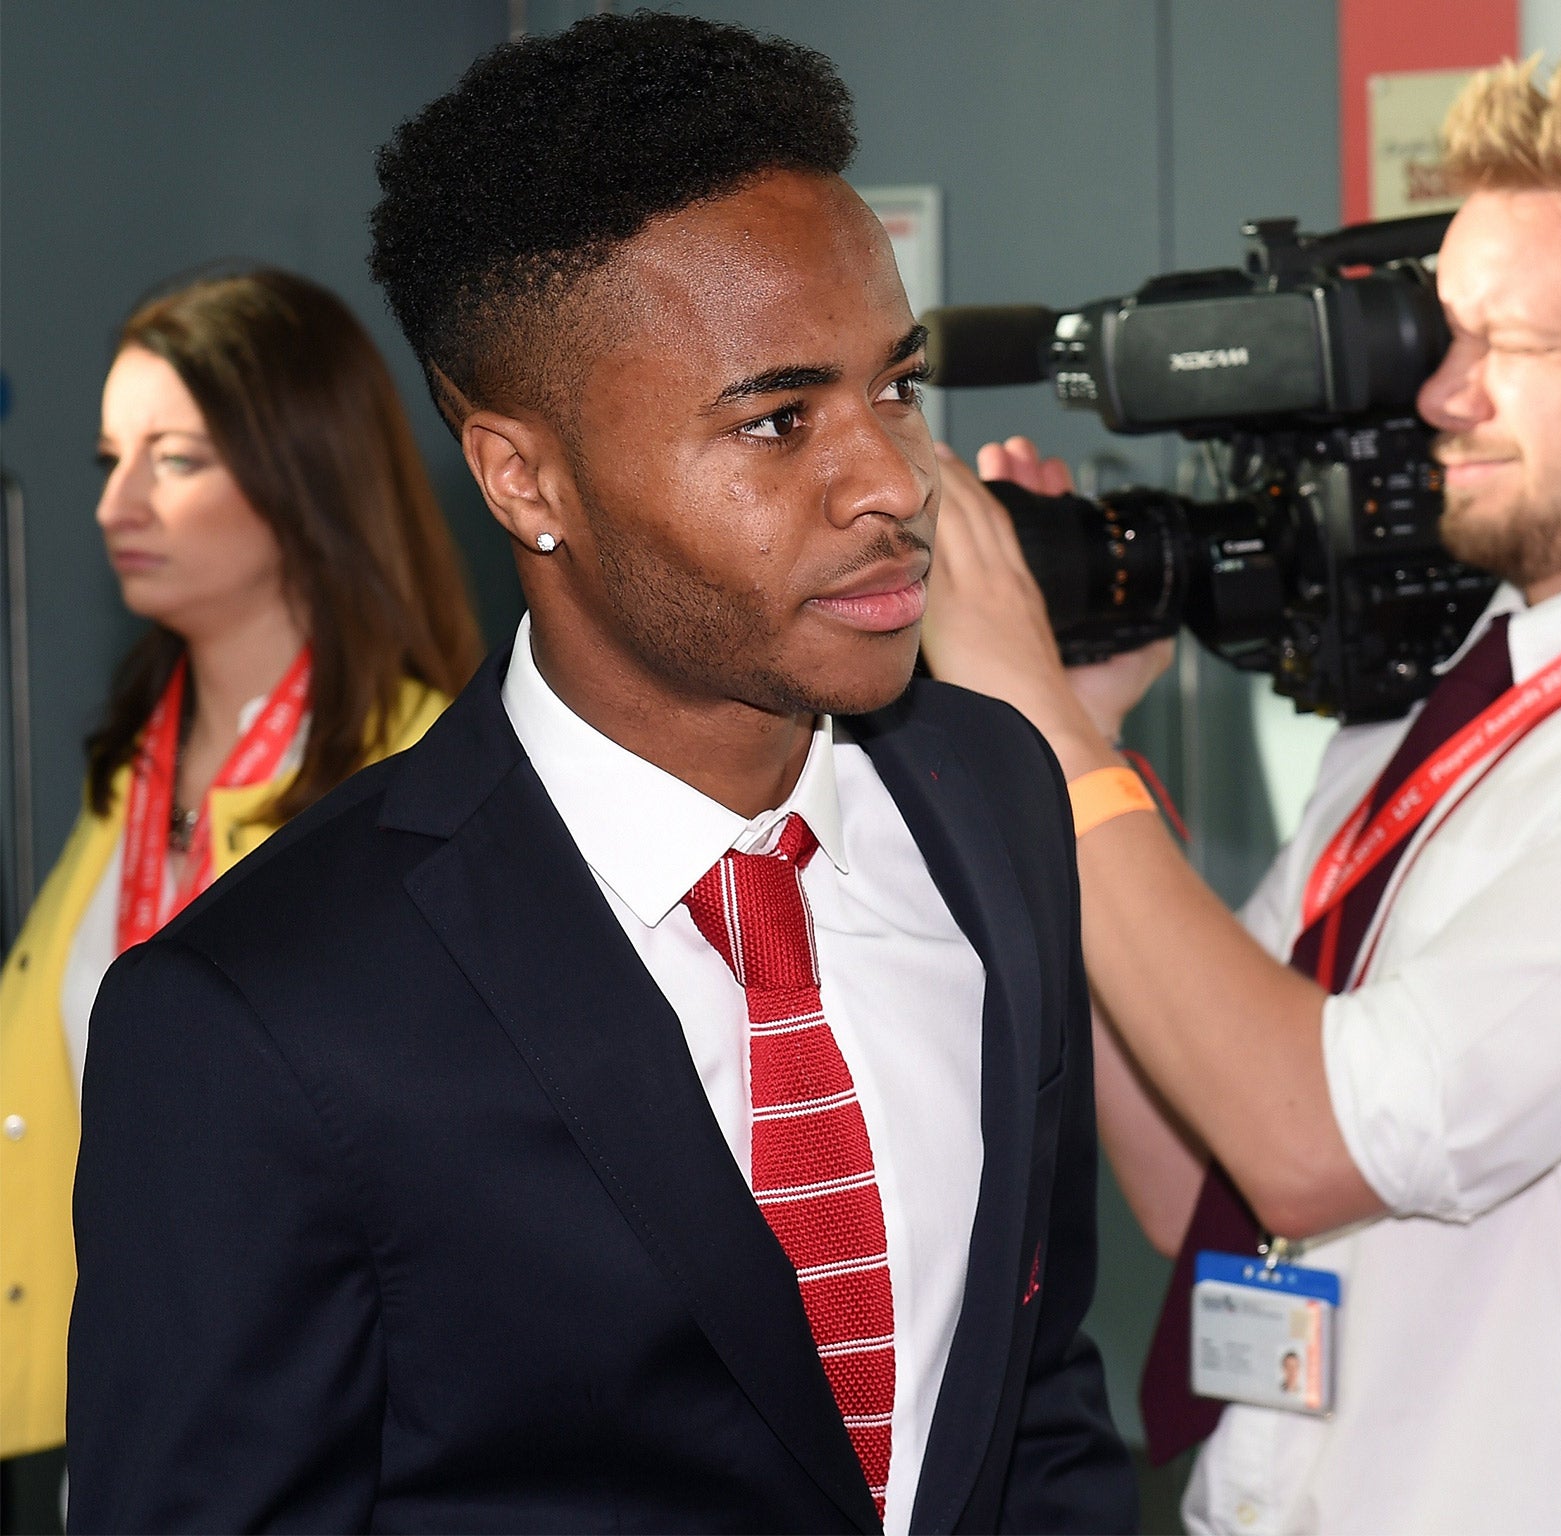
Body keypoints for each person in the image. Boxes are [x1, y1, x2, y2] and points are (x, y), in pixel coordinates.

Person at [66, 14, 1134, 1535]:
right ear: (525, 477)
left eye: (894, 387)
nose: (897, 482)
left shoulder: (994, 800)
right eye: (778, 421)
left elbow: (1035, 1409)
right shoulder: (265, 1016)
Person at [922, 49, 1561, 1533]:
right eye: (1448, 335)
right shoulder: (1453, 703)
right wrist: (1081, 734)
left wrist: (1037, 734)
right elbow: (1204, 1180)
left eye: (1513, 343)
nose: (1442, 391)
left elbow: (1310, 1142)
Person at [0, 267, 480, 1501]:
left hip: (323, 1444)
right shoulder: (128, 773)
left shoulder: (425, 782)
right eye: (111, 456)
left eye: (176, 459)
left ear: (302, 471)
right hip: (108, 1418)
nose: (116, 502)